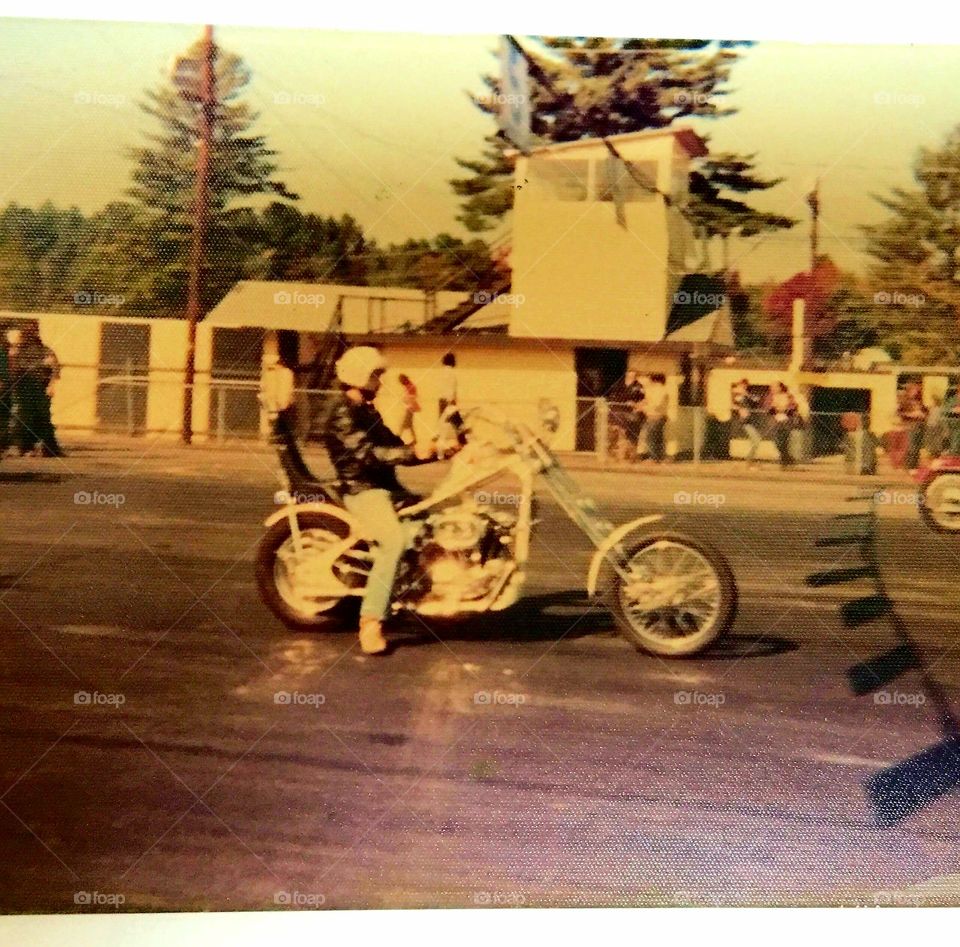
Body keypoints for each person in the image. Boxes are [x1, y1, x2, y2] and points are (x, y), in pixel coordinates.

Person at [323, 346, 448, 656]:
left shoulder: (367, 410)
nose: (379, 381)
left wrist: (437, 448)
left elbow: (394, 446)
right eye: (376, 375)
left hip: (385, 487)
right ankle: (370, 622)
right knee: (392, 541)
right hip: (363, 490)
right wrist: (411, 452)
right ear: (359, 377)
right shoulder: (341, 412)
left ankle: (421, 590)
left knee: (429, 525)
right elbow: (368, 455)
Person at [9, 324, 63, 457]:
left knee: (43, 418)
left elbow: (55, 368)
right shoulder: (17, 351)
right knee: (25, 418)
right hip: (24, 389)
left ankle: (48, 449)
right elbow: (14, 370)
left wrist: (51, 385)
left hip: (40, 389)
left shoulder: (44, 350)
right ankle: (26, 448)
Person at [608, 370, 644, 462]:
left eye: (634, 375)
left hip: (631, 414)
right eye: (629, 375)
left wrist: (635, 404)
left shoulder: (638, 386)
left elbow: (642, 399)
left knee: (631, 436)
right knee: (618, 434)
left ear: (636, 376)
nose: (631, 377)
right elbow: (614, 396)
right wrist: (623, 401)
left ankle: (630, 457)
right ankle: (617, 455)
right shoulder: (619, 385)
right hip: (619, 412)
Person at [730, 378, 762, 467]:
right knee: (756, 440)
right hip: (745, 422)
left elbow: (756, 400)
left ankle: (750, 460)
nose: (743, 388)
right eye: (742, 386)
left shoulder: (745, 395)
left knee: (756, 440)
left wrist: (747, 394)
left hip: (750, 420)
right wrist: (740, 409)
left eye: (745, 386)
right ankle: (749, 461)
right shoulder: (737, 395)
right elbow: (733, 405)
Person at [438, 351, 466, 446]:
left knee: (443, 422)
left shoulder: (442, 372)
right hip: (449, 400)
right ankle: (463, 442)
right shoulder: (451, 373)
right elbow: (451, 388)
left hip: (441, 400)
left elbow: (442, 387)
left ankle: (442, 443)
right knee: (458, 423)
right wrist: (452, 401)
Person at [899, 381, 928, 472]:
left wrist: (923, 415)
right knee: (911, 446)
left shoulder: (919, 401)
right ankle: (910, 466)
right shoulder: (905, 401)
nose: (917, 390)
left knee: (917, 447)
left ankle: (915, 465)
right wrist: (912, 414)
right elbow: (900, 413)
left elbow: (926, 412)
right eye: (915, 389)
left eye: (918, 389)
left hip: (919, 426)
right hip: (910, 426)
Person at [769, 382, 798, 469]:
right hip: (777, 421)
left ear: (780, 388)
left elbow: (794, 407)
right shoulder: (773, 397)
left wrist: (785, 409)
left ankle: (784, 462)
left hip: (786, 421)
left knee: (784, 442)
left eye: (774, 387)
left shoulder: (788, 396)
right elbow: (770, 409)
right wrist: (775, 409)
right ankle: (788, 459)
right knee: (777, 442)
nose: (772, 389)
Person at [643, 373, 669, 462]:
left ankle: (653, 458)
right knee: (658, 437)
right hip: (656, 416)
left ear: (655, 381)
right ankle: (660, 457)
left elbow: (656, 404)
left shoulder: (660, 390)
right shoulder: (658, 390)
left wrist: (646, 408)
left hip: (656, 416)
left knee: (651, 437)